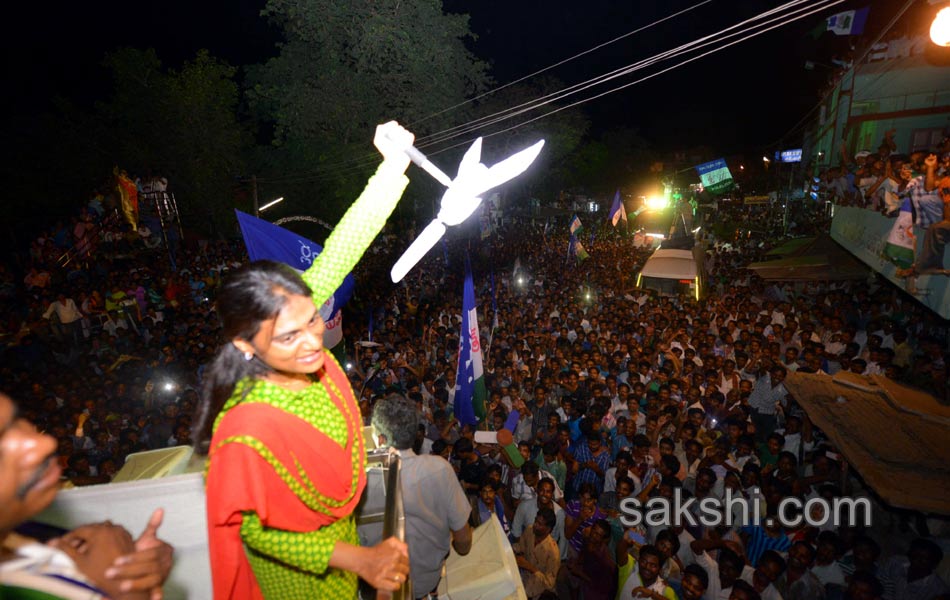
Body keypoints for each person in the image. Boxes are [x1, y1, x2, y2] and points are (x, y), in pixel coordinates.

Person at [195, 122, 415, 599]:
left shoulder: (296, 309)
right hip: (297, 582)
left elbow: (343, 246)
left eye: (313, 319)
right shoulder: (244, 424)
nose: (313, 341)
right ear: (245, 346)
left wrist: (393, 166)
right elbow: (254, 531)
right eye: (289, 337)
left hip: (345, 542)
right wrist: (358, 559)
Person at [0, 391, 173, 599]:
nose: (45, 444)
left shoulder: (30, 533)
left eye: (17, 420)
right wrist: (125, 592)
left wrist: (137, 561)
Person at [372, 394, 473, 599]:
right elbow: (464, 542)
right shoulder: (440, 469)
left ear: (380, 438)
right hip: (425, 585)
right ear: (416, 436)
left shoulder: (364, 479)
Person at [512, 508, 560, 600]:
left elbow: (549, 584)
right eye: (535, 521)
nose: (535, 525)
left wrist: (530, 567)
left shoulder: (553, 552)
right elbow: (520, 547)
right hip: (523, 579)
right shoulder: (529, 530)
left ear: (548, 529)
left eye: (540, 524)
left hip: (539, 593)